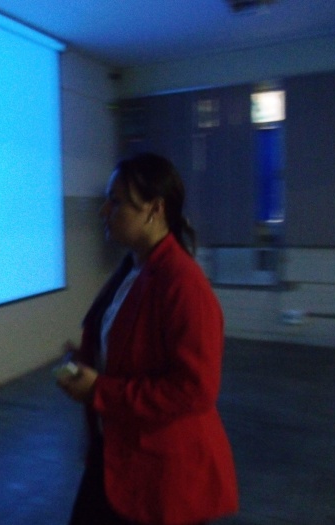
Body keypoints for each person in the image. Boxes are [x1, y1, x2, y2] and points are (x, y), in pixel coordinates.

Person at [57, 153, 238, 525]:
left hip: (160, 475)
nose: (104, 211)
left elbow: (195, 389)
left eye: (117, 202)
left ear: (155, 209)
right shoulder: (133, 269)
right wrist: (91, 359)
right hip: (119, 456)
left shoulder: (183, 285)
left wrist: (100, 390)